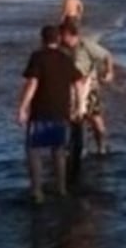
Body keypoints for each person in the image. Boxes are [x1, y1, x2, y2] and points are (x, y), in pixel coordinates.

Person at [17, 25, 86, 204]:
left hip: (41, 110)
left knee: (34, 151)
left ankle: (37, 191)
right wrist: (79, 106)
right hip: (61, 110)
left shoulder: (37, 57)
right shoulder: (66, 58)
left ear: (42, 39)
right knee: (59, 150)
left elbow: (32, 83)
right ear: (58, 39)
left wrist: (22, 108)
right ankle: (61, 188)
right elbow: (79, 82)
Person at [60, 21, 115, 156]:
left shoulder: (85, 45)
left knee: (95, 119)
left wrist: (109, 72)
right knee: (73, 118)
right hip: (71, 88)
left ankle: (101, 146)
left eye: (63, 35)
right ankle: (75, 148)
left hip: (88, 87)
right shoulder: (62, 48)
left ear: (72, 35)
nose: (61, 38)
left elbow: (107, 55)